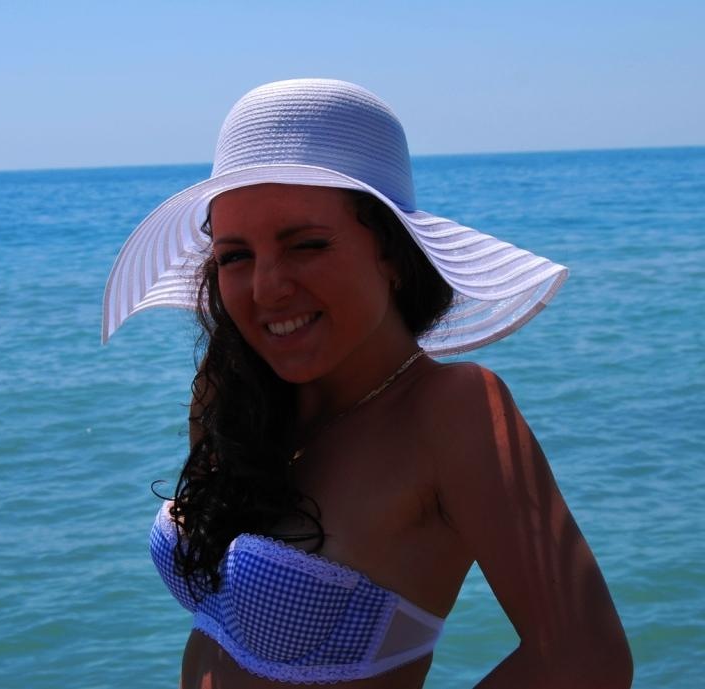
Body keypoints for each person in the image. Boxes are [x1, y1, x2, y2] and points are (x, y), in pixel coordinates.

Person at [103, 79, 631, 688]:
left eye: (306, 245)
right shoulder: (234, 390)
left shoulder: (450, 412)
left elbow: (586, 659)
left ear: (392, 253)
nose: (267, 288)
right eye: (235, 256)